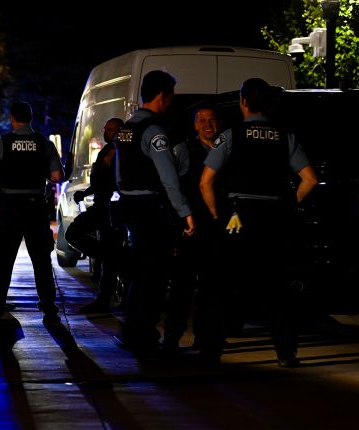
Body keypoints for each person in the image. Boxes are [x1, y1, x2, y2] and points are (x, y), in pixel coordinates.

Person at [199, 77, 318, 367]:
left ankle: (212, 350)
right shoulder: (284, 135)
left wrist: (217, 215)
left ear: (242, 102)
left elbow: (206, 182)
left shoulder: (231, 135)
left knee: (222, 284)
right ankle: (286, 353)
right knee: (279, 288)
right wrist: (289, 205)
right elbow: (310, 180)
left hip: (238, 218)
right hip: (276, 218)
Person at [112, 70, 195, 357]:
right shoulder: (154, 130)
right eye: (170, 95)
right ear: (162, 95)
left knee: (140, 273)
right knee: (154, 277)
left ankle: (133, 330)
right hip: (151, 209)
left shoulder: (126, 127)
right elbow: (168, 176)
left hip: (131, 206)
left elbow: (119, 172)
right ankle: (142, 334)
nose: (171, 101)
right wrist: (185, 211)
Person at [0, 100, 64, 326]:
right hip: (35, 207)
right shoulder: (44, 144)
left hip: (10, 205)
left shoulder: (3, 143)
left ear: (12, 119)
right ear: (31, 118)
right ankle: (49, 307)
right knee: (41, 260)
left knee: (4, 261)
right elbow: (57, 177)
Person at [162, 103, 219, 353]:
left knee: (211, 288)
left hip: (216, 228)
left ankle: (206, 339)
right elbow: (172, 186)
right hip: (191, 228)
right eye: (202, 120)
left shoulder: (225, 148)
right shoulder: (183, 150)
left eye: (212, 120)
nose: (208, 124)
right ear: (195, 124)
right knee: (182, 287)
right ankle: (173, 337)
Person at [64, 117, 124, 314]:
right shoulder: (107, 151)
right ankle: (111, 261)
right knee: (74, 234)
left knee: (77, 235)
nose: (108, 132)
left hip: (110, 209)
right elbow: (100, 182)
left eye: (112, 129)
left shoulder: (120, 152)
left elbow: (114, 183)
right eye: (106, 129)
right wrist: (86, 193)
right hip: (101, 205)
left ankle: (106, 294)